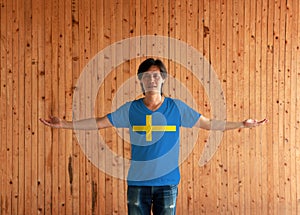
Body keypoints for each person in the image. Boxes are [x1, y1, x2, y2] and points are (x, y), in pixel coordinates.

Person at [40, 58, 268, 215]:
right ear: (141, 80)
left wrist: (241, 124)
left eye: (156, 76)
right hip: (138, 184)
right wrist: (64, 125)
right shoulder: (130, 109)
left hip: (167, 184)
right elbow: (99, 123)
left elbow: (207, 124)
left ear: (163, 80)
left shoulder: (177, 108)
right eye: (147, 76)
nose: (152, 79)